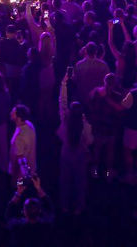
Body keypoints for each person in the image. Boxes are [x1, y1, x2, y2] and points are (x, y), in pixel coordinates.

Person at [57, 77, 92, 214]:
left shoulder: (65, 120)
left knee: (64, 179)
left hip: (66, 151)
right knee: (80, 180)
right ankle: (79, 206)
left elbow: (62, 102)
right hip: (80, 153)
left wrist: (63, 84)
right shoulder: (85, 125)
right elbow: (90, 140)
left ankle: (64, 205)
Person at [5, 176, 55, 247]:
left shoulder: (17, 227)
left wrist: (18, 192)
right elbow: (50, 209)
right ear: (40, 210)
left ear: (23, 211)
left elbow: (9, 212)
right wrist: (39, 188)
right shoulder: (46, 226)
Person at [9, 104, 36, 180]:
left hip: (21, 175)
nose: (10, 113)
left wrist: (15, 176)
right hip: (31, 169)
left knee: (18, 187)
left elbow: (19, 161)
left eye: (13, 112)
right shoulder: (29, 124)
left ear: (19, 118)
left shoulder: (20, 137)